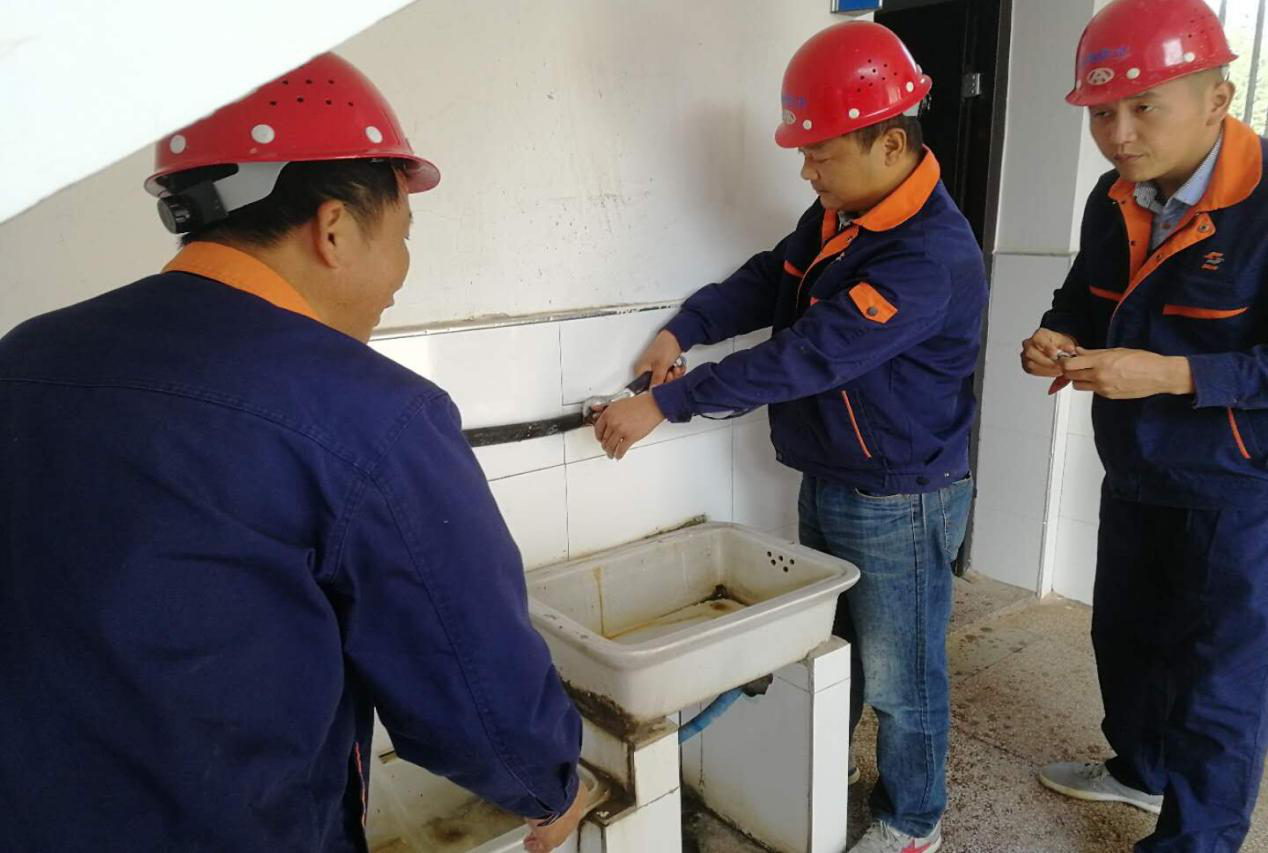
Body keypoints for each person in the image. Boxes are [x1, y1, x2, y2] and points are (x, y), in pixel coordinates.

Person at [0, 53, 584, 853]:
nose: (400, 275)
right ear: (334, 228)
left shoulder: (25, 356)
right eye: (402, 235)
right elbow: (480, 690)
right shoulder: (373, 413)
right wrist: (548, 784)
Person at [594, 21, 987, 853]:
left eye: (820, 153)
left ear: (889, 144)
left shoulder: (927, 257)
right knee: (836, 646)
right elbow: (769, 277)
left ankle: (914, 820)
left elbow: (808, 355)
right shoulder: (844, 212)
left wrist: (668, 404)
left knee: (904, 675)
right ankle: (828, 760)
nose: (806, 171)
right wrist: (685, 328)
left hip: (902, 495)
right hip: (835, 473)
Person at [1020, 1, 1268, 848]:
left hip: (1237, 486)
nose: (1118, 135)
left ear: (1217, 99)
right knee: (1125, 637)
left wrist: (1169, 373)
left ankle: (1197, 840)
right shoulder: (1113, 196)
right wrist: (1056, 336)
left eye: (1143, 107)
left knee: (1218, 680)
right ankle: (1140, 770)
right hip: (1134, 465)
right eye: (1100, 112)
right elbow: (1082, 297)